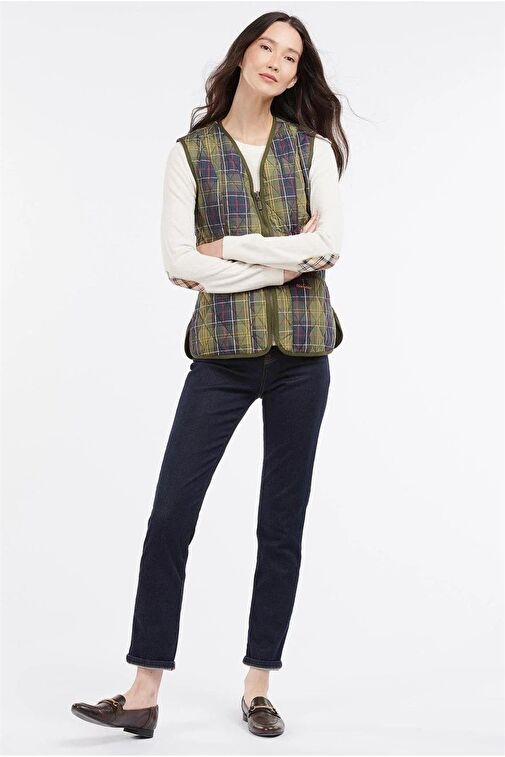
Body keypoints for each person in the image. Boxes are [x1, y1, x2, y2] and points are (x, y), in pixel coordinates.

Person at [71, 10, 348, 740]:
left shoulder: (312, 149)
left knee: (280, 523)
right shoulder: (189, 154)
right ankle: (143, 692)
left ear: (296, 74)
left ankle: (258, 685)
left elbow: (328, 244)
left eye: (291, 56)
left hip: (302, 360)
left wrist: (228, 248)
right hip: (221, 361)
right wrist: (280, 262)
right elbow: (178, 263)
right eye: (267, 46)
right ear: (243, 54)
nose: (277, 62)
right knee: (171, 515)